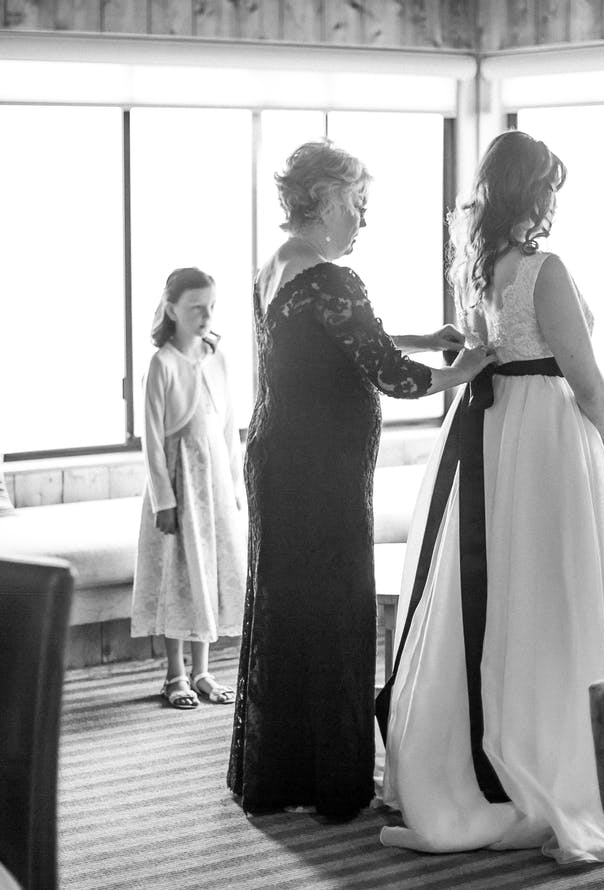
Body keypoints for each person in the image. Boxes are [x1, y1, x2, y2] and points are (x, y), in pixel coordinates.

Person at [379, 130, 604, 862]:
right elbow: (586, 380)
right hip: (549, 439)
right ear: (535, 192)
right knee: (552, 595)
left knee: (498, 599)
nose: (555, 199)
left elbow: (477, 352)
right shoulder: (544, 268)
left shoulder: (482, 267)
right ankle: (550, 759)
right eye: (551, 186)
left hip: (492, 433)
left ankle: (480, 755)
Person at [227, 139, 494, 819]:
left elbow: (337, 342)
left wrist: (418, 339)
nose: (362, 218)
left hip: (280, 455)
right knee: (332, 607)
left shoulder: (279, 266)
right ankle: (332, 781)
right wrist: (459, 371)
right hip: (321, 471)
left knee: (286, 606)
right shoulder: (331, 280)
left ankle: (281, 771)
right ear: (319, 200)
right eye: (355, 202)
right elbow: (384, 372)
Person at [131, 267, 247, 709]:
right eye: (196, 307)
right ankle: (175, 674)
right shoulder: (162, 364)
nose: (205, 315)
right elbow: (153, 442)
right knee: (179, 574)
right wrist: (165, 500)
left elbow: (229, 427)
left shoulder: (217, 357)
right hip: (179, 486)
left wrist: (234, 487)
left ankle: (202, 672)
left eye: (211, 306)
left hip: (213, 482)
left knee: (210, 571)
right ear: (172, 308)